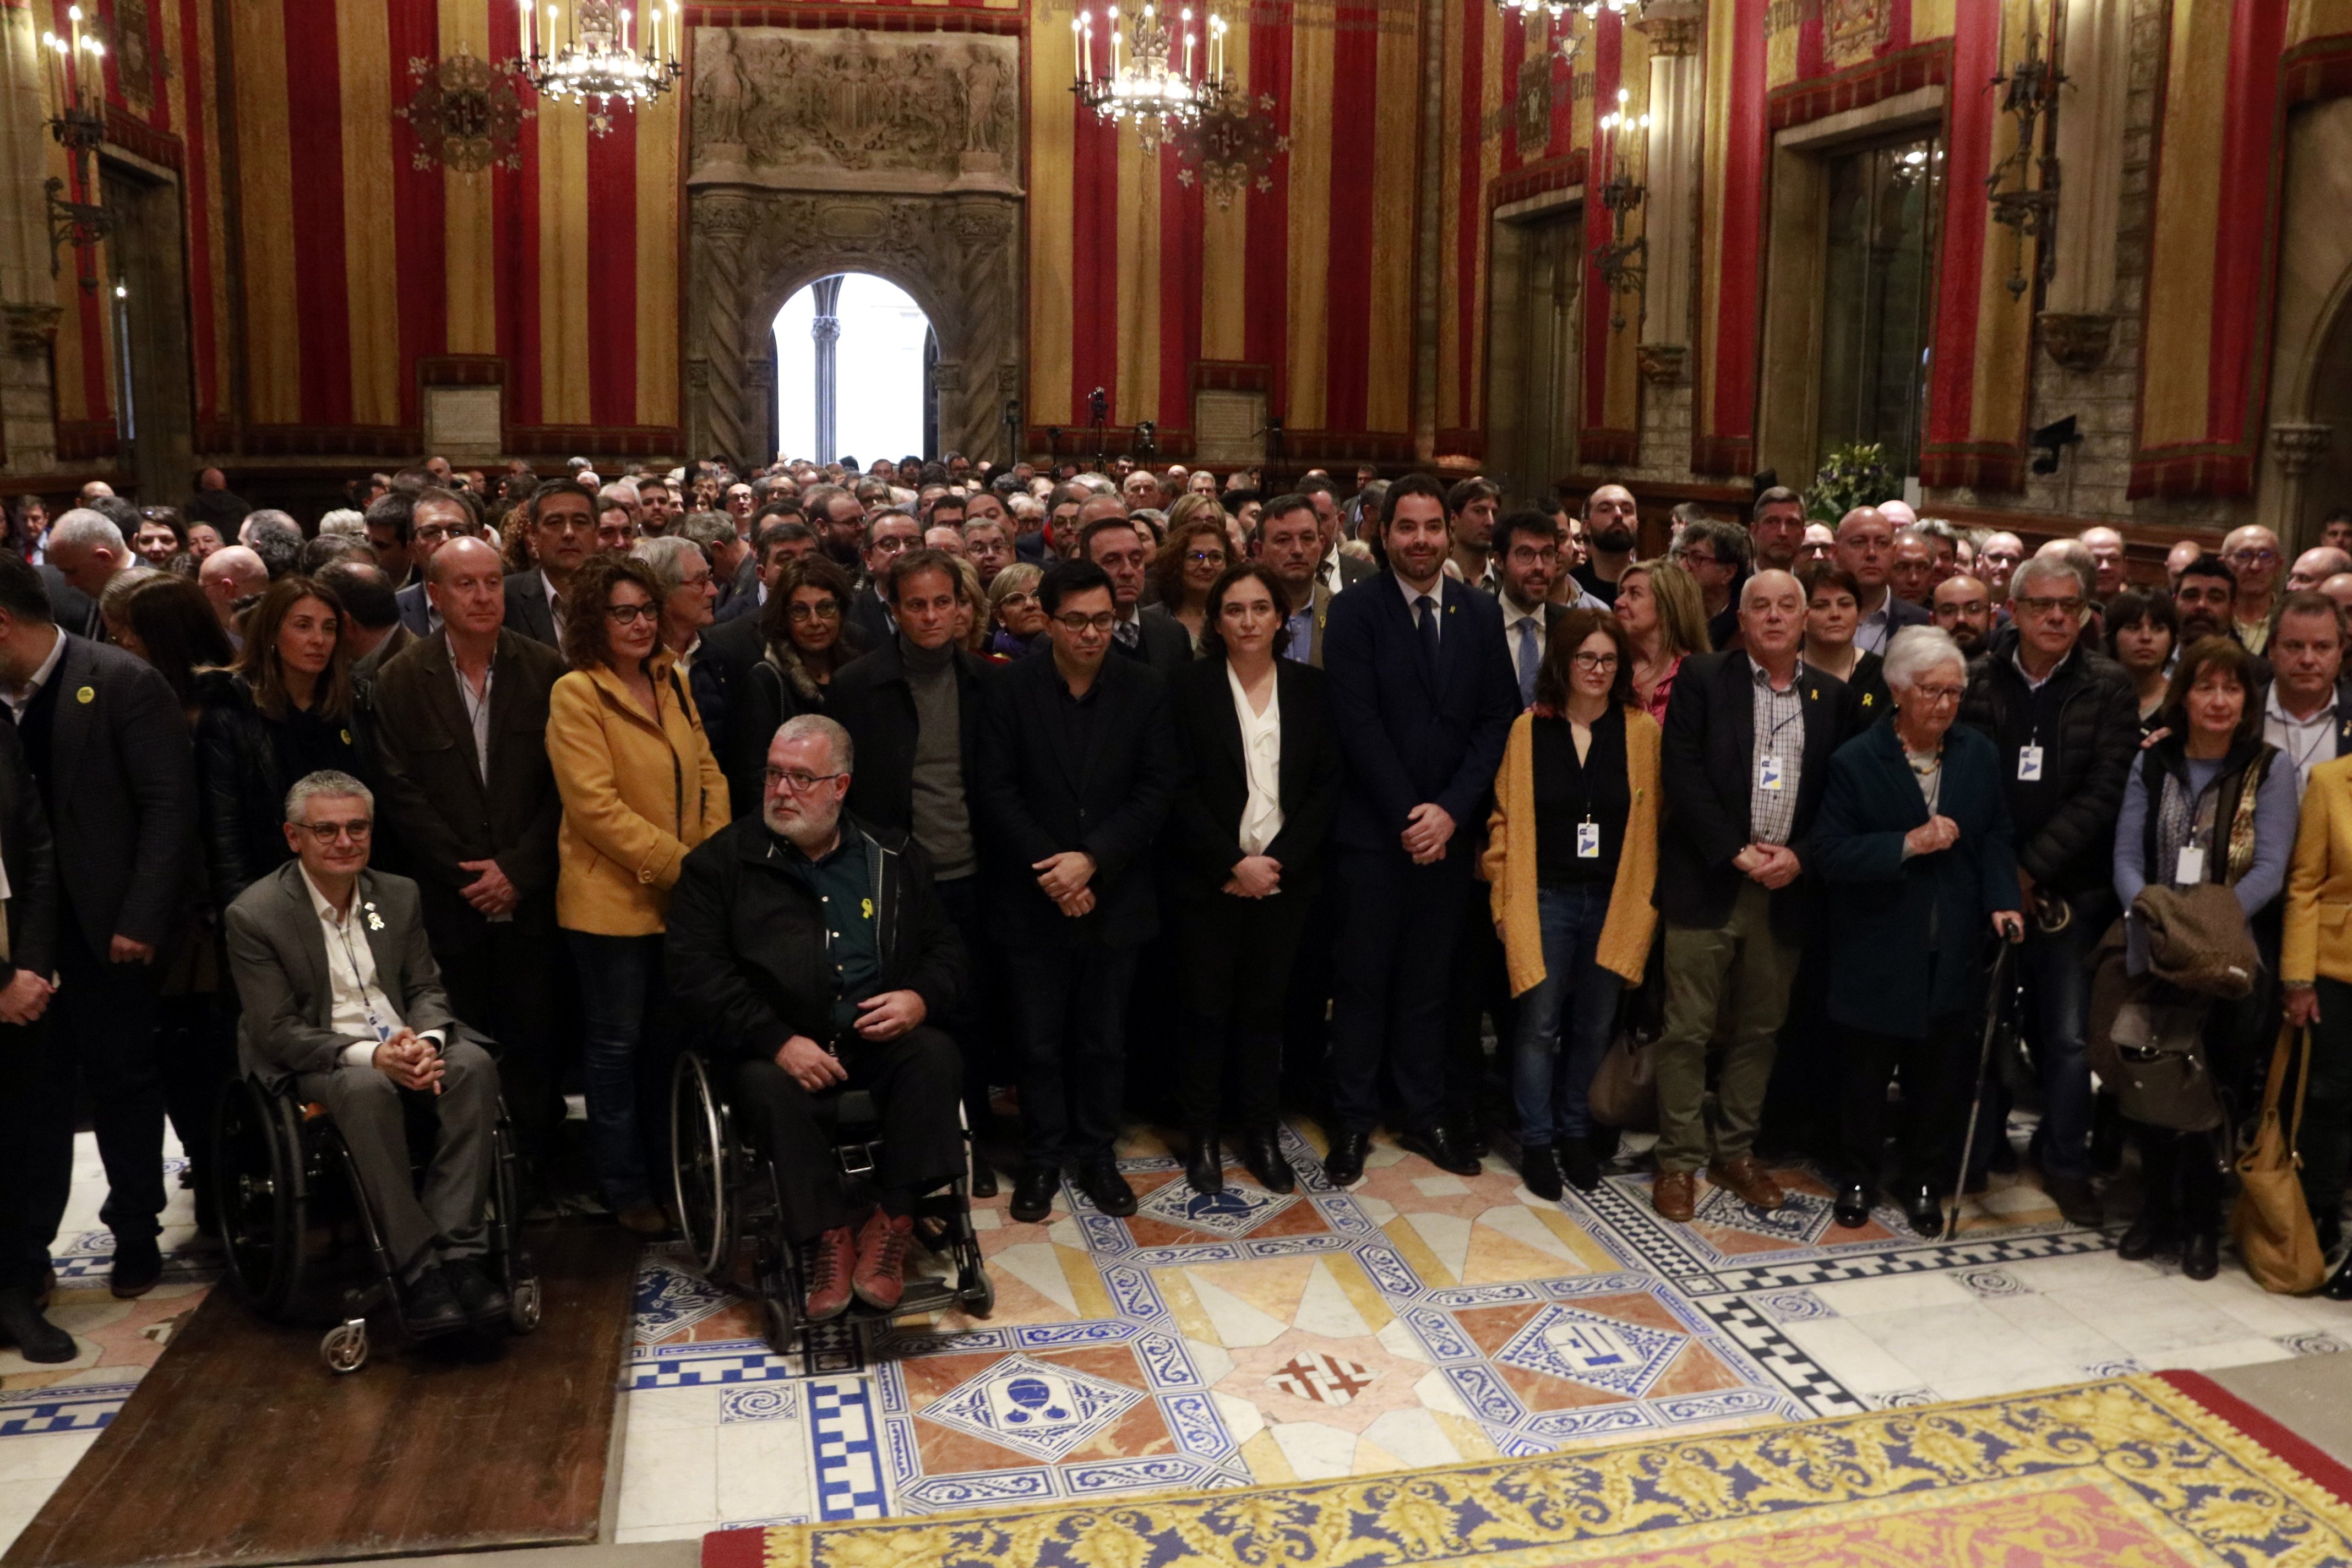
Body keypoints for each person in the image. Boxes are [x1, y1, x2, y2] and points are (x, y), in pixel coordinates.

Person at [666, 717, 967, 1319]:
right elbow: (696, 975)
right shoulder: (720, 866)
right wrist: (777, 1041)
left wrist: (918, 999)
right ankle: (829, 1236)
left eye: (802, 778)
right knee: (765, 1086)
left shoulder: (895, 857)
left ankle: (891, 1221)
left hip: (874, 1042)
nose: (781, 790)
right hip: (775, 1049)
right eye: (775, 774)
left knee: (936, 1055)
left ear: (840, 786)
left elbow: (948, 952)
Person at [223, 771, 507, 1338]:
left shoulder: (396, 895)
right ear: (293, 836)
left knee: (473, 1065)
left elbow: (426, 988)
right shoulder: (255, 915)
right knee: (368, 1088)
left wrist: (425, 1042)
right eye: (325, 830)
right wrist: (372, 1057)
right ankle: (418, 1266)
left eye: (357, 827)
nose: (345, 841)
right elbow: (277, 1030)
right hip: (321, 1059)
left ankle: (460, 1254)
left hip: (401, 1041)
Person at [0, 553, 196, 1299]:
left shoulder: (117, 681)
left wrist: (141, 918)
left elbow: (167, 810)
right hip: (19, 943)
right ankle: (29, 1250)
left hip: (110, 932)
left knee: (124, 1083)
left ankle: (138, 1230)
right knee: (34, 1098)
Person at [1319, 475, 1520, 1185]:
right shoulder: (1353, 612)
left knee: (1432, 985)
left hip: (1449, 832)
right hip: (1375, 836)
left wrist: (1451, 812)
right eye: (1408, 528)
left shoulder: (1477, 610)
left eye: (1434, 527)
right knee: (1364, 982)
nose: (1423, 541)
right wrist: (1413, 814)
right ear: (1384, 533)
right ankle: (1351, 1119)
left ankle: (1422, 1110)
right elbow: (1357, 724)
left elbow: (1497, 717)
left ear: (1449, 532)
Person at [973, 560, 1178, 1223]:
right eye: (1076, 621)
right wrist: (1053, 869)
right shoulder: (1010, 690)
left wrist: (1091, 862)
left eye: (1103, 620)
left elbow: (1156, 790)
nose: (1091, 634)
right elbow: (995, 790)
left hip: (1113, 891)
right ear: (1048, 619)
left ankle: (1095, 1152)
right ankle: (1042, 1155)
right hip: (1032, 894)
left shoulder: (1144, 688)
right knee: (1036, 1038)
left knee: (1103, 1037)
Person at [1650, 570, 1852, 1222]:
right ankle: (1678, 1159)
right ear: (1741, 619)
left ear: (1804, 621)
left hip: (1785, 888)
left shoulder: (1832, 697)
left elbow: (1840, 798)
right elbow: (1679, 770)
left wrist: (1799, 858)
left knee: (1760, 1031)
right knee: (1686, 1030)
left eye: (1786, 606)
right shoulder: (1706, 679)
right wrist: (1734, 850)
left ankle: (1734, 1151)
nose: (1773, 617)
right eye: (1759, 606)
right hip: (1709, 877)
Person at [367, 537, 570, 1180]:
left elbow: (567, 787)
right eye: (465, 585)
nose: (483, 597)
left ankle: (535, 1172)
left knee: (537, 1041)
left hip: (532, 895)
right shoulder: (400, 678)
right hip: (447, 904)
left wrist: (517, 870)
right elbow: (401, 794)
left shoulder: (546, 670)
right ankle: (471, 1177)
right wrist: (470, 875)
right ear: (434, 594)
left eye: (493, 583)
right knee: (460, 1047)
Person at [1814, 627, 2022, 1235]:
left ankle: (1925, 1177)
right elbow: (1830, 854)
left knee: (1940, 1074)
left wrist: (2004, 901)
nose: (1947, 704)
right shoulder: (1856, 760)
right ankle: (1857, 1173)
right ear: (1899, 691)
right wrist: (1907, 844)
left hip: (1951, 943)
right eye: (1933, 691)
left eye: (1955, 692)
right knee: (1864, 1075)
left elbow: (1997, 835)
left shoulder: (1978, 753)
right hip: (1878, 943)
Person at [547, 554, 731, 1234]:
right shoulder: (577, 692)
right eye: (623, 612)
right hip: (611, 905)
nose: (638, 623)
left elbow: (708, 770)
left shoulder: (672, 677)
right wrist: (686, 866)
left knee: (668, 1047)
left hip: (681, 898)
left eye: (647, 610)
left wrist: (710, 854)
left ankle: (672, 1173)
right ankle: (624, 1186)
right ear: (596, 620)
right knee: (616, 1051)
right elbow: (595, 808)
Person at [1954, 554, 2136, 1224]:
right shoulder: (1976, 680)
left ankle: (2065, 1161)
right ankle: (1983, 1148)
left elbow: (2105, 791)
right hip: (1989, 886)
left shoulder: (2109, 687)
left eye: (2069, 606)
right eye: (2041, 605)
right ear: (2015, 609)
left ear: (2086, 614)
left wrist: (2032, 870)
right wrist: (2006, 874)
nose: (2056, 616)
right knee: (1985, 1025)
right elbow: (1969, 782)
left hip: (2073, 894)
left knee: (2064, 1037)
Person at [2113, 638, 2294, 1278]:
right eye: (2205, 687)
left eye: (2232, 689)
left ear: (2248, 699)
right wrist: (2155, 919)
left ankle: (2199, 1223)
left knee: (2212, 1090)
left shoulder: (2270, 768)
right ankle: (2155, 1210)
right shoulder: (2152, 761)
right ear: (2183, 694)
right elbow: (2128, 855)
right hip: (2156, 947)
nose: (2219, 701)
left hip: (2231, 956)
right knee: (2155, 1082)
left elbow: (2272, 866)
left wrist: (2207, 929)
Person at [827, 549, 1001, 1191]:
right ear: (894, 611)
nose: (932, 616)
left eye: (943, 602)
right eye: (917, 604)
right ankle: (913, 1146)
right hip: (897, 880)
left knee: (972, 1011)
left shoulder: (989, 681)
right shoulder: (857, 685)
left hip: (974, 872)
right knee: (904, 1019)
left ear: (962, 607)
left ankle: (971, 1136)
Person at [1163, 564, 1340, 1195]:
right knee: (1204, 1009)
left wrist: (1277, 865)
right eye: (1234, 610)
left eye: (1260, 608)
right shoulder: (1187, 688)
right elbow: (1175, 786)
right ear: (1216, 621)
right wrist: (1229, 863)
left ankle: (1263, 1134)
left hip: (1284, 881)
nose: (1247, 621)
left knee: (1267, 1011)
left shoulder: (1312, 689)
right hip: (1208, 880)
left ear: (1281, 619)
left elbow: (1324, 787)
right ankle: (1204, 1136)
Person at [1483, 608, 1659, 1199]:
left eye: (1609, 659)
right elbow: (1504, 823)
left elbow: (1655, 824)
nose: (1598, 669)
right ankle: (1536, 1139)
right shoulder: (1527, 731)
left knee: (1594, 1026)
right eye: (1586, 657)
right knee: (1537, 1027)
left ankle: (1575, 1132)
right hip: (1545, 898)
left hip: (1615, 899)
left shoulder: (1640, 732)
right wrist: (1505, 901)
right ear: (1562, 662)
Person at [194, 576, 362, 911]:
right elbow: (225, 833)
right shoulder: (231, 712)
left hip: (351, 891)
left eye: (329, 629)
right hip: (270, 895)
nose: (319, 640)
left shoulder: (353, 704)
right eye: (303, 626)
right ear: (271, 634)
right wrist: (243, 915)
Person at [0, 693, 62, 1359]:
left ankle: (16, 1286)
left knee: (19, 1134)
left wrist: (31, 967)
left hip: (22, 968)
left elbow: (38, 850)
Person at [705, 556, 863, 818]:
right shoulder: (767, 681)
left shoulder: (857, 672)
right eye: (800, 611)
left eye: (826, 608)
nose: (815, 622)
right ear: (784, 617)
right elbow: (752, 780)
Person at [2286, 751, 2352, 1293]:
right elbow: (2305, 884)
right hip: (2337, 966)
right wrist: (2298, 977)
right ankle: (2320, 1213)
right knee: (2329, 1095)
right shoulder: (2331, 780)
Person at [2261, 590, 2352, 799]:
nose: (2308, 660)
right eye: (2294, 646)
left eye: (2322, 647)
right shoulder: (2242, 715)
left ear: (2340, 651)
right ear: (2272, 648)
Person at [1081, 514, 1191, 671]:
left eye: (1136, 560)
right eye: (1112, 561)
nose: (1128, 571)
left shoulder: (1173, 634)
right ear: (1086, 568)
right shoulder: (1070, 639)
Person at [502, 480, 598, 648]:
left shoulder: (618, 596)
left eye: (580, 522)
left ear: (597, 532)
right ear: (533, 535)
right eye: (555, 522)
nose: (569, 533)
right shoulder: (505, 598)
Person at [1613, 558, 1708, 723]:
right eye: (1622, 592)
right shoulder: (1611, 668)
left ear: (1667, 606)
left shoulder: (1700, 677)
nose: (1619, 602)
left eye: (1634, 594)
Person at [1491, 511, 1568, 708]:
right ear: (1499, 561)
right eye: (1525, 554)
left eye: (1548, 554)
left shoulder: (1571, 626)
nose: (1539, 567)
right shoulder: (1476, 622)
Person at [1834, 507, 1930, 656]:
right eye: (1859, 543)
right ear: (1835, 553)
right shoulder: (1809, 617)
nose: (1871, 553)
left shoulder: (1922, 623)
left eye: (1882, 543)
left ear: (1894, 552)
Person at [1800, 564, 1891, 721]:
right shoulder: (1787, 675)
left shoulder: (1885, 675)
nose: (1835, 614)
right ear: (1802, 616)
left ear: (1859, 611)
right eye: (1821, 606)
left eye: (1845, 604)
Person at [1148, 502, 1231, 652]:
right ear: (1176, 563)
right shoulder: (1151, 620)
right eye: (1195, 557)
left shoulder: (1238, 616)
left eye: (1216, 557)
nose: (1206, 565)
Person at [2105, 589, 2179, 738]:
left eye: (2158, 629)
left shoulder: (2182, 704)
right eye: (2133, 627)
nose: (2146, 637)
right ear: (2113, 637)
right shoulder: (2093, 700)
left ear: (2172, 640)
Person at [1674, 518, 1751, 652]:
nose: (1682, 566)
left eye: (1696, 558)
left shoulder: (1746, 628)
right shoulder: (1671, 613)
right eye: (1682, 556)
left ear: (1728, 573)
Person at [2223, 524, 2284, 654]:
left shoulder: (2290, 619)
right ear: (2224, 563)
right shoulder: (2213, 616)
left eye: (2266, 556)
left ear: (2279, 566)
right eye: (2244, 555)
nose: (2255, 567)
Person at [986, 561, 1047, 658]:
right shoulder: (996, 666)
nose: (1030, 604)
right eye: (1015, 599)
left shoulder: (1071, 653)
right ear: (1000, 616)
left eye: (1037, 595)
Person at [1931, 573, 1995, 659]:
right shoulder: (1915, 672)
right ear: (1933, 622)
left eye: (1974, 609)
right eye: (1948, 611)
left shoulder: (2007, 672)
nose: (1961, 619)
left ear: (1992, 619)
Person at [1749, 487, 1806, 574]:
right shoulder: (1733, 585)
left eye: (1792, 523)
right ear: (1754, 531)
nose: (1782, 533)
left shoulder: (1810, 587)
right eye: (1772, 522)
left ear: (1803, 534)